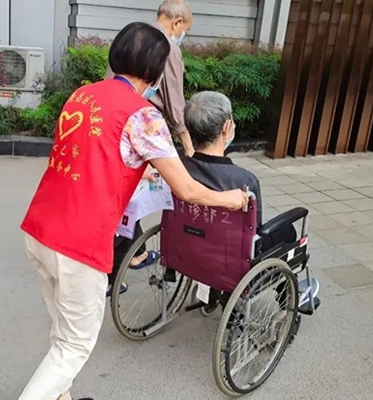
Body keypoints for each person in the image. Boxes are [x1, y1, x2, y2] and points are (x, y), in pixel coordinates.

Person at [19, 23, 249, 400]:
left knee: (63, 328)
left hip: (40, 227)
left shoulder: (82, 95)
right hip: (79, 243)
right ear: (156, 71)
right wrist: (233, 199)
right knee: (73, 346)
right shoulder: (143, 116)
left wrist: (134, 173)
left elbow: (89, 156)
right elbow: (187, 189)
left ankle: (61, 396)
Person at [107, 0, 195, 295]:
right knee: (127, 194)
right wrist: (187, 143)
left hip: (113, 123)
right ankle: (109, 271)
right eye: (185, 30)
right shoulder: (165, 46)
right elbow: (175, 99)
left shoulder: (132, 37)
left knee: (125, 194)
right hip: (139, 131)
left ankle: (133, 252)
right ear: (178, 23)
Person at [182, 91, 297, 254]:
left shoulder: (178, 171)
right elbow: (254, 229)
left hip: (188, 242)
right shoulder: (244, 180)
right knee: (287, 230)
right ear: (227, 127)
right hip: (231, 252)